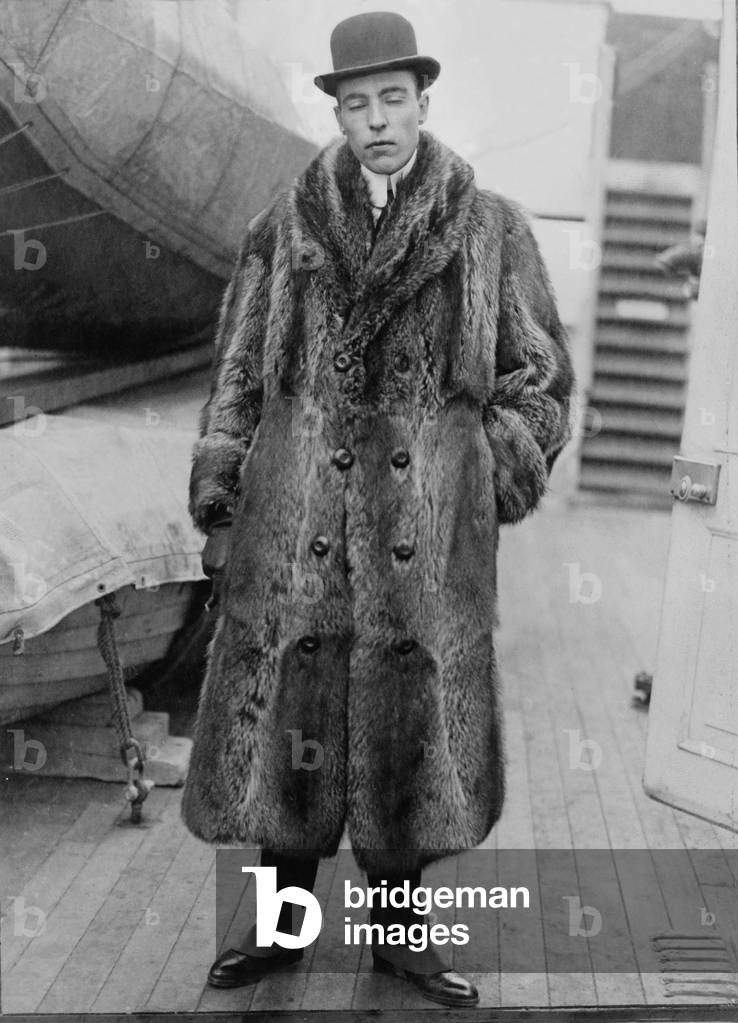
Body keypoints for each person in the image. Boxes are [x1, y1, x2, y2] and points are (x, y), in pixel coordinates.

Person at [182, 10, 576, 1009]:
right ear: (341, 115)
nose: (375, 120)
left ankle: (400, 947)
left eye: (391, 99)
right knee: (287, 754)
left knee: (410, 755)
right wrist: (223, 496)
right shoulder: (285, 229)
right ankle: (280, 937)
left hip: (426, 544)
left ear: (422, 101)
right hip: (297, 534)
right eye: (356, 104)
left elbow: (541, 381)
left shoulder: (491, 232)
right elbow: (235, 376)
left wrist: (484, 471)